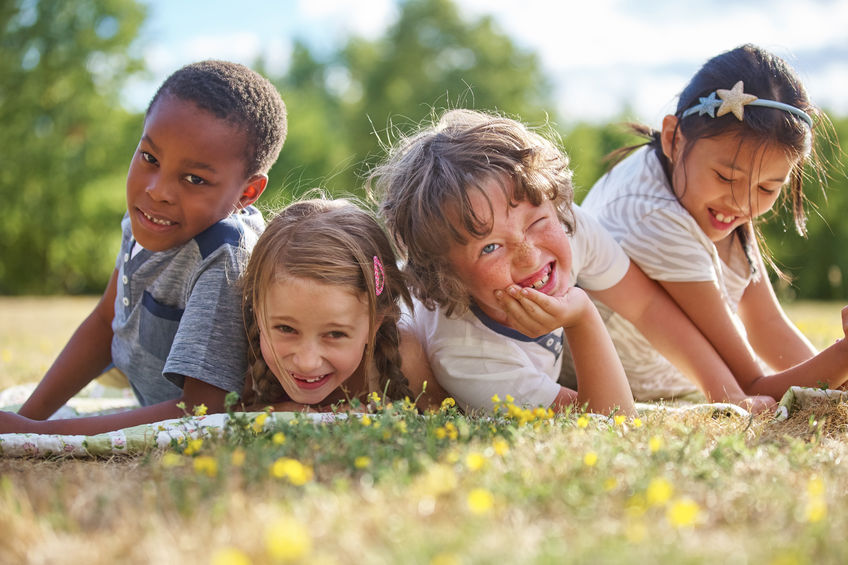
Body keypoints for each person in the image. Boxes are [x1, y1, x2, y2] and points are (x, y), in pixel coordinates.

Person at [372, 109, 772, 416]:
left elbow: (647, 307)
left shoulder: (568, 226)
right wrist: (581, 316)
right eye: (490, 247)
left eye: (536, 221)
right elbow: (608, 421)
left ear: (556, 204)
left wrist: (730, 395)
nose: (529, 254)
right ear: (446, 276)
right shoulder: (468, 356)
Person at [0, 60, 288, 434]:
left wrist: (39, 434)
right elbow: (107, 323)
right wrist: (26, 419)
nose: (157, 190)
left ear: (246, 193)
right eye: (150, 158)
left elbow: (204, 410)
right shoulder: (149, 217)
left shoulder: (224, 257)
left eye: (194, 179)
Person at [581, 44, 848, 401]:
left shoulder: (697, 185)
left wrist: (837, 377)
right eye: (726, 177)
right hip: (640, 389)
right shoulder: (653, 218)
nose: (742, 203)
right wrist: (842, 358)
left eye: (768, 187)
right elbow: (751, 387)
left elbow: (765, 323)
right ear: (674, 137)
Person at [240, 197, 443, 412]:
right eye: (286, 329)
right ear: (258, 312)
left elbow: (446, 420)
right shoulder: (242, 357)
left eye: (335, 334)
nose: (307, 362)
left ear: (375, 324)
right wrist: (275, 413)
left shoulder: (405, 358)